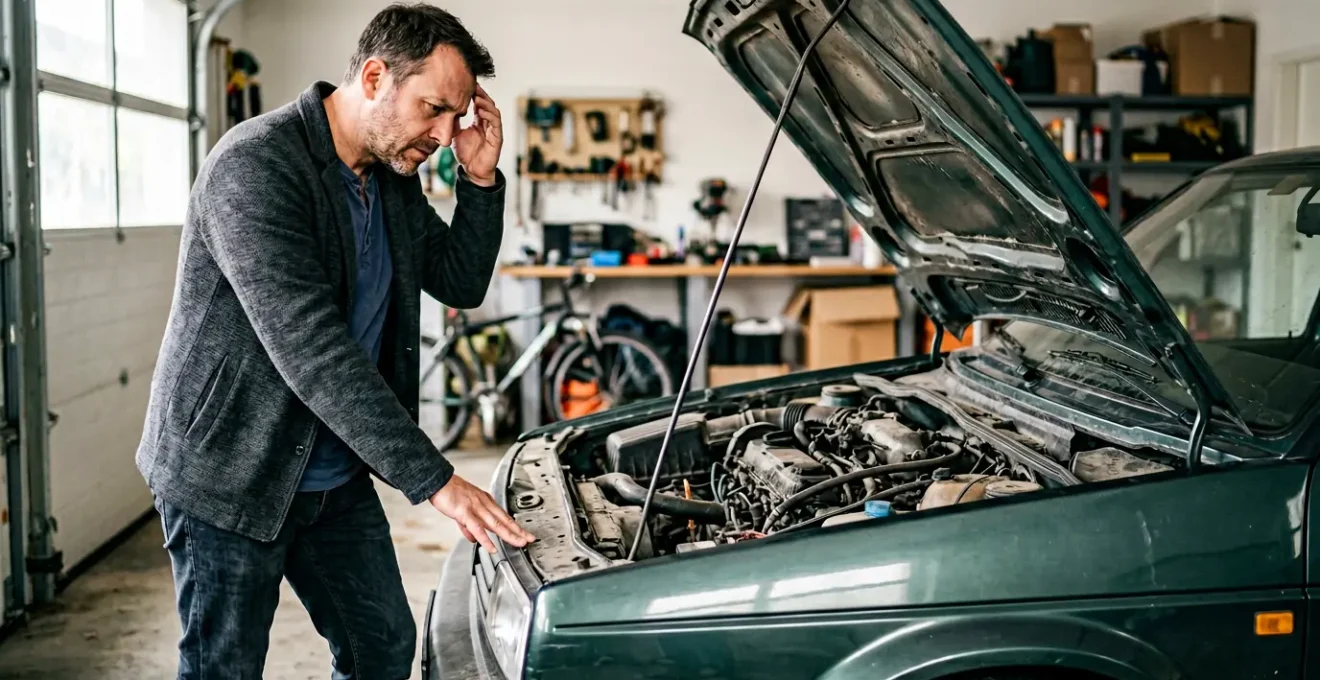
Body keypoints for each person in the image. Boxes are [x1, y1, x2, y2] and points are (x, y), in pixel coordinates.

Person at [134, 3, 535, 678]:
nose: (443, 134)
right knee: (223, 666)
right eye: (434, 109)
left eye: (455, 117)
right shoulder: (256, 168)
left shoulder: (390, 178)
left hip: (332, 471)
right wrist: (435, 482)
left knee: (381, 645)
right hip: (231, 471)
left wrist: (481, 179)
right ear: (375, 77)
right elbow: (311, 349)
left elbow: (459, 281)